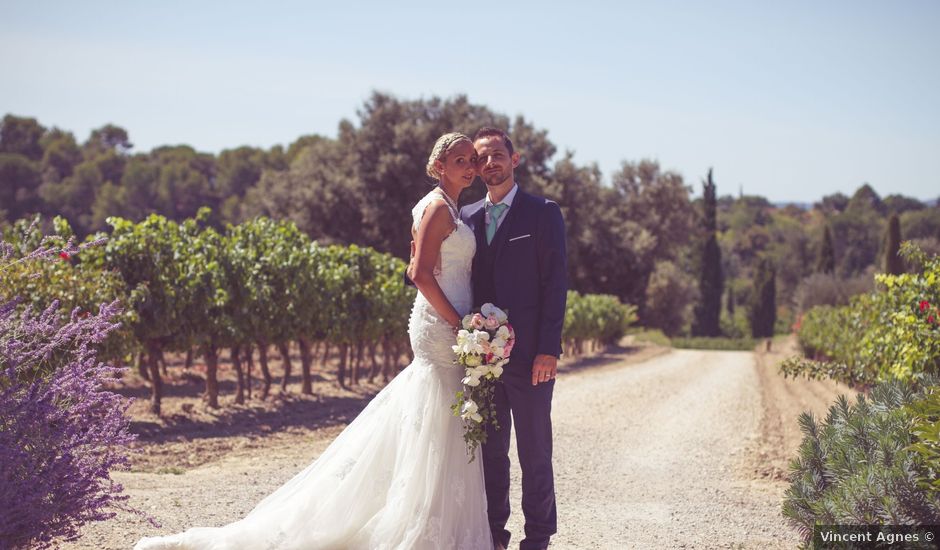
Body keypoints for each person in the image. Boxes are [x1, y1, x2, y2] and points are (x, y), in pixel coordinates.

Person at [133, 132, 493, 550]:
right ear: (439, 166)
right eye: (460, 160)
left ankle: (440, 525)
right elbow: (419, 274)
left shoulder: (452, 208)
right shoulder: (436, 209)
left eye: (472, 159)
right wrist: (458, 323)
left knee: (443, 423)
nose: (470, 167)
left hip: (457, 326)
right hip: (442, 326)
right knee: (434, 416)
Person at [460, 127, 567, 550]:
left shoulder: (542, 213)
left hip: (530, 357)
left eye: (497, 155)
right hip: (481, 359)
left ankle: (538, 537)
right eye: (481, 158)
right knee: (490, 451)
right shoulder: (466, 216)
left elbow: (555, 284)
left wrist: (548, 349)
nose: (490, 163)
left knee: (535, 451)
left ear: (515, 158)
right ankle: (493, 534)